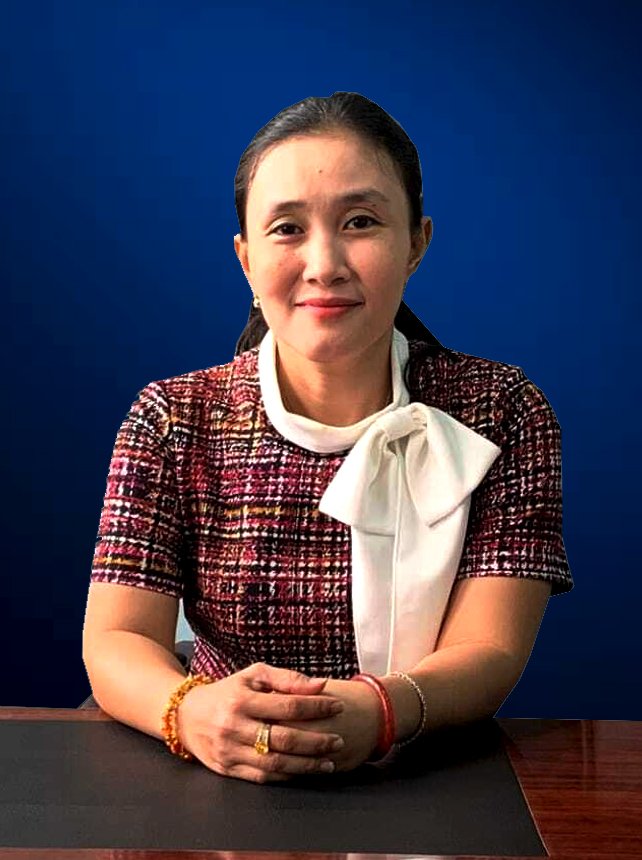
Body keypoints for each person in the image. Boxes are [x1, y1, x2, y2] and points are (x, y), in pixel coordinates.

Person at [82, 91, 573, 784]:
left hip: (432, 772)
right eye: (287, 229)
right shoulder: (172, 418)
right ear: (246, 259)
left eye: (361, 221)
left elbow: (489, 648)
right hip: (214, 766)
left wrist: (379, 710)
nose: (324, 263)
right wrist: (192, 714)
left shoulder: (502, 411)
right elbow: (117, 638)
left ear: (416, 244)